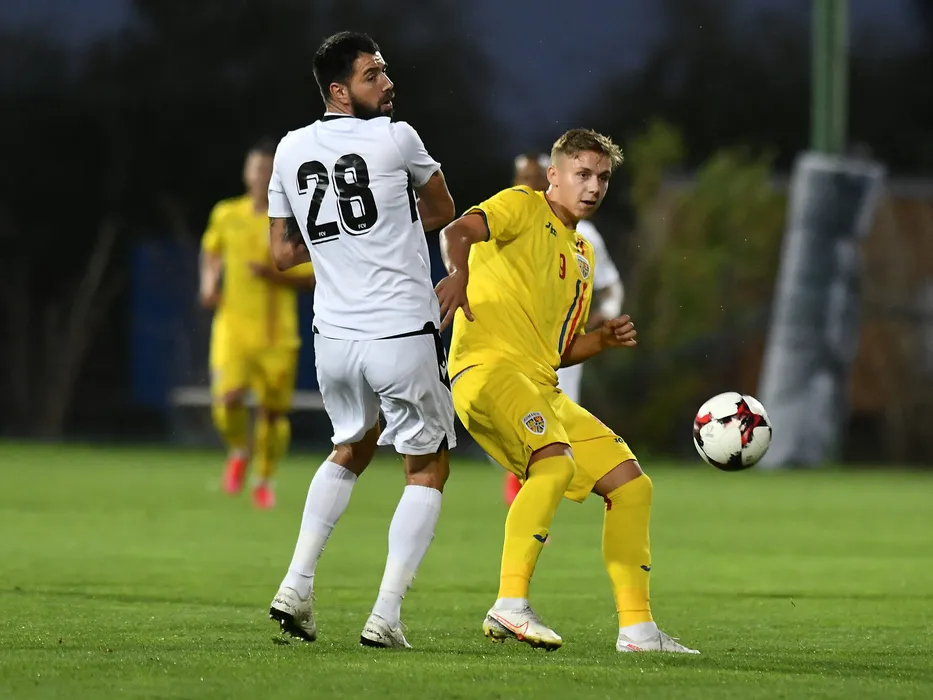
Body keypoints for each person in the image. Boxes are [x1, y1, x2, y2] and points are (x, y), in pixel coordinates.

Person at [435, 128, 699, 654]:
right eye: (582, 174)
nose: (593, 186)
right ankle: (509, 605)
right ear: (553, 175)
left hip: (539, 384)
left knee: (631, 485)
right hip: (486, 370)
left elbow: (555, 350)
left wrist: (600, 340)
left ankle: (638, 630)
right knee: (553, 463)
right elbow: (456, 231)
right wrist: (459, 273)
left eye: (602, 177)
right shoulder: (522, 205)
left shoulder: (582, 255)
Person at [265, 31, 457, 649]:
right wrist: (384, 227)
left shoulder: (289, 148)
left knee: (351, 444)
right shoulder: (396, 137)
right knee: (426, 464)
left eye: (384, 71)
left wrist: (341, 240)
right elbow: (442, 208)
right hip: (399, 329)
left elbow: (281, 254)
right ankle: (386, 615)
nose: (388, 83)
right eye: (372, 75)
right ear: (340, 90)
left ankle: (295, 585)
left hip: (334, 339)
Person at [199, 138, 316, 509]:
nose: (261, 175)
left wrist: (273, 274)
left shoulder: (289, 221)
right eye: (256, 168)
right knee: (227, 400)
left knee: (272, 412)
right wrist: (208, 283)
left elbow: (312, 277)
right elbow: (211, 251)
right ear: (246, 173)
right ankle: (239, 449)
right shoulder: (226, 214)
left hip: (276, 333)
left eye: (268, 169)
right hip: (232, 328)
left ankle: (264, 479)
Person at [503, 153, 624, 505]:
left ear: (550, 179)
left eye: (532, 179)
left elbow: (611, 286)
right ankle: (525, 498)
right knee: (519, 423)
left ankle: (539, 496)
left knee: (554, 426)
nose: (525, 186)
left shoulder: (584, 234)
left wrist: (604, 317)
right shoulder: (507, 222)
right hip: (512, 341)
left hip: (562, 348)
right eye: (520, 179)